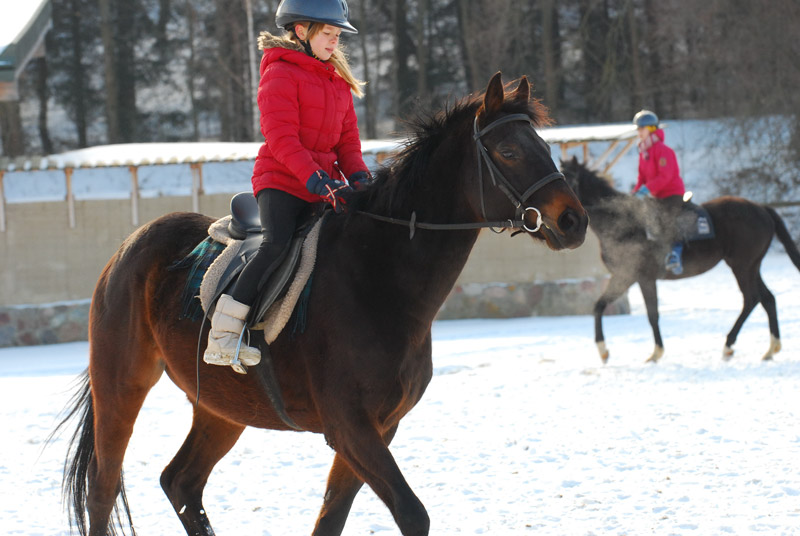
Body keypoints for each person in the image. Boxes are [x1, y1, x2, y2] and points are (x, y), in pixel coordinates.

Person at [204, 0, 372, 373]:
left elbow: (347, 145)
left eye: (337, 34)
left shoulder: (339, 82)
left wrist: (360, 179)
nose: (335, 41)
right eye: (328, 33)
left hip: (322, 185)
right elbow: (281, 139)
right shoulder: (279, 73)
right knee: (276, 245)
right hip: (281, 181)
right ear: (301, 31)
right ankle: (225, 333)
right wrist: (317, 179)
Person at [631, 109, 686, 275]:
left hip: (672, 194)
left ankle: (675, 254)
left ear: (652, 129)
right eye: (638, 129)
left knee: (668, 220)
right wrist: (635, 193)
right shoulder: (644, 151)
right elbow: (642, 176)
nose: (639, 132)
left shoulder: (663, 150)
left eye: (642, 129)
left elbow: (666, 176)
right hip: (656, 195)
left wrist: (647, 189)